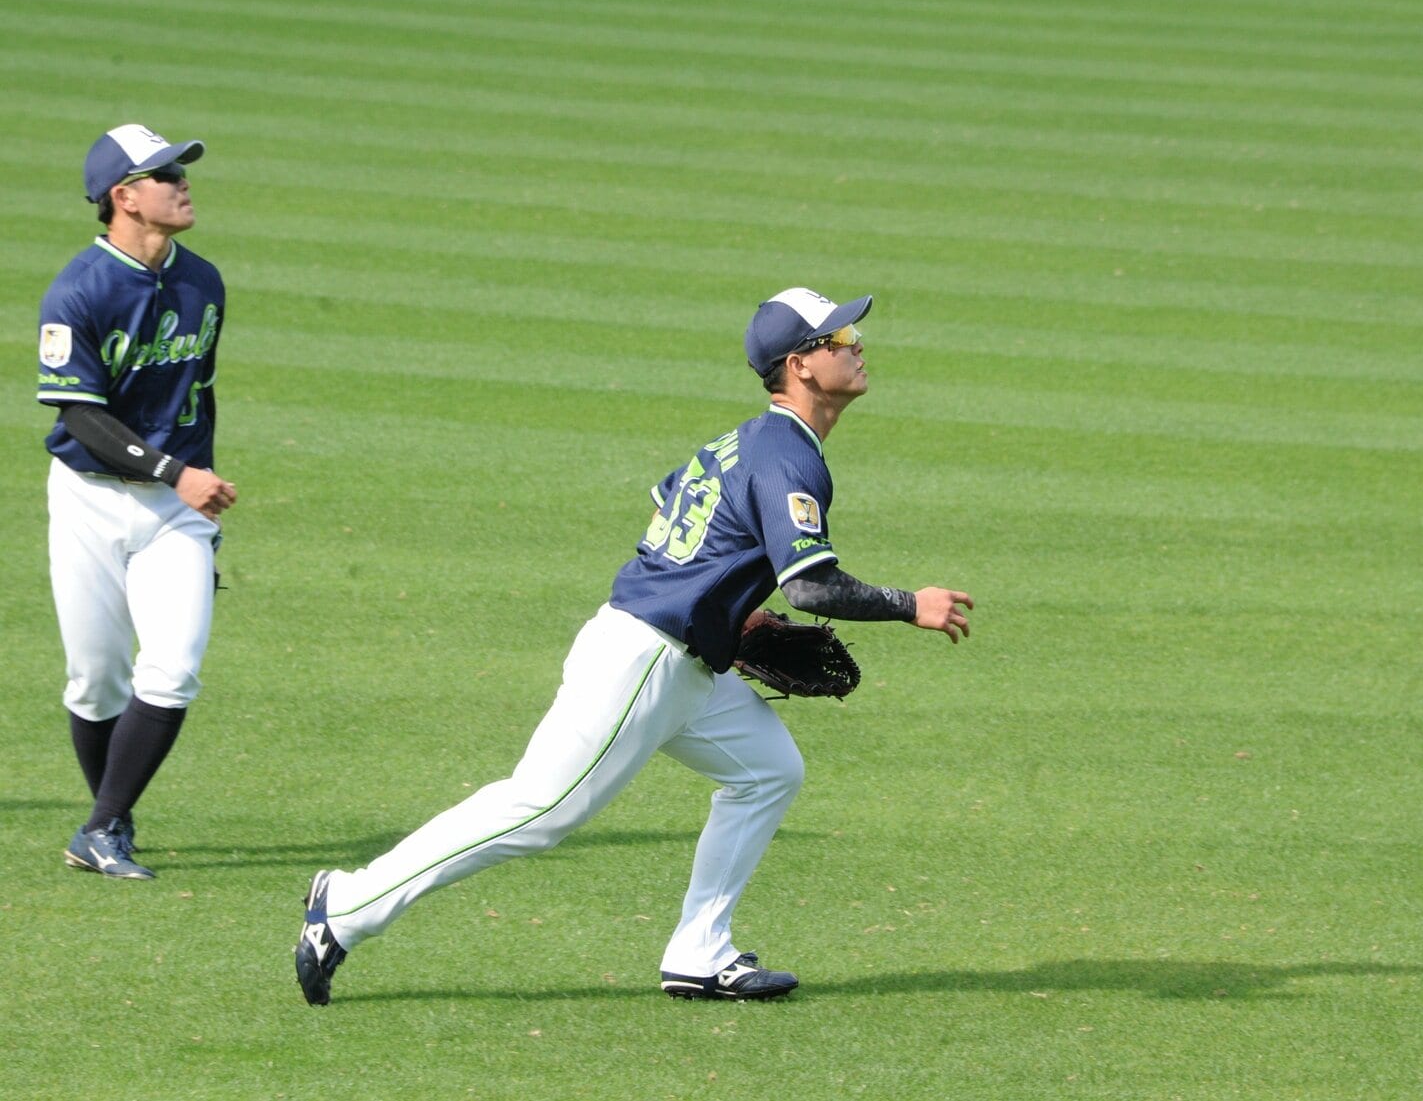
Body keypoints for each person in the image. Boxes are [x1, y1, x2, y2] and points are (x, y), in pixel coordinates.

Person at [295, 286, 973, 1005]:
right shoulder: (787, 455)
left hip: (684, 663)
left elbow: (668, 512)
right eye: (839, 339)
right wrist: (910, 605)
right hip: (645, 658)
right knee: (537, 809)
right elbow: (810, 588)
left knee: (769, 769)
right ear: (800, 365)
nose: (856, 345)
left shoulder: (743, 440)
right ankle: (344, 905)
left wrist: (732, 614)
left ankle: (699, 950)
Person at [37, 124, 237, 881]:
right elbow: (77, 415)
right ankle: (111, 819)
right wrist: (171, 469)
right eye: (163, 174)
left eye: (180, 170)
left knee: (174, 667)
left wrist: (198, 495)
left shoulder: (203, 281)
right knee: (96, 681)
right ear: (123, 198)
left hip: (176, 508)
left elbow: (198, 396)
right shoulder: (78, 291)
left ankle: (101, 825)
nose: (182, 182)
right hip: (90, 500)